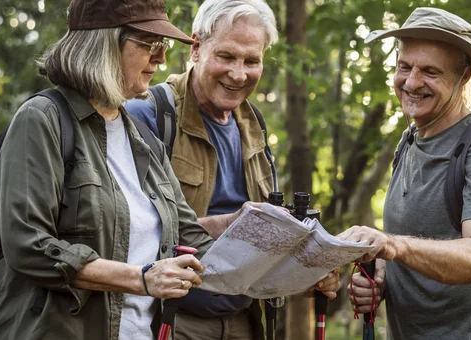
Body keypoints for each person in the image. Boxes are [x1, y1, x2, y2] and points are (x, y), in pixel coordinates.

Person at [0, 1, 220, 339]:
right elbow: (27, 245)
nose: (161, 58)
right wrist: (141, 278)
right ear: (105, 43)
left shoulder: (145, 141)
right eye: (151, 43)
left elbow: (192, 239)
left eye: (162, 46)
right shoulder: (43, 119)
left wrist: (291, 262)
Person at [124, 0, 340, 339]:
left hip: (246, 320)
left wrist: (310, 269)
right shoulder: (149, 115)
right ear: (196, 48)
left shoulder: (254, 124)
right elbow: (124, 236)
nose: (239, 74)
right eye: (226, 57)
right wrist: (229, 225)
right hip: (172, 319)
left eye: (252, 61)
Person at [340, 7, 471, 340]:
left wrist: (392, 247)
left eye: (430, 72)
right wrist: (382, 273)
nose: (411, 82)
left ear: (463, 76)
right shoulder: (408, 140)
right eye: (404, 67)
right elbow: (416, 240)